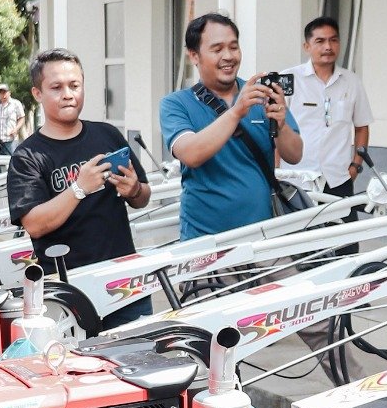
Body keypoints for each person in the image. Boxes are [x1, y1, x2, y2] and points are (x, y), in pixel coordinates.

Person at [5, 48, 154, 327]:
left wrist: (134, 189)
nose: (68, 94)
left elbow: (143, 196)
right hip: (66, 290)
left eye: (75, 85)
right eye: (56, 87)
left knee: (138, 350)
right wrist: (78, 188)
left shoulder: (107, 134)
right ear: (37, 93)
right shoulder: (27, 156)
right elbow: (34, 224)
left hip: (124, 280)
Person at [159, 13, 302, 240]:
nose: (228, 56)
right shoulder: (176, 103)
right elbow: (190, 154)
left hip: (263, 236)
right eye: (217, 49)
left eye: (234, 47)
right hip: (204, 240)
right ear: (194, 55)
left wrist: (282, 125)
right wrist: (236, 112)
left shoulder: (261, 94)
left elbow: (295, 155)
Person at [284, 16, 374, 202]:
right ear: (307, 46)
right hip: (297, 179)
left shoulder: (352, 81)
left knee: (343, 221)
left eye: (333, 40)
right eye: (320, 41)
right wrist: (275, 172)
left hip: (338, 178)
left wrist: (355, 167)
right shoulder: (289, 79)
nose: (328, 47)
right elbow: (275, 128)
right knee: (297, 223)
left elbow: (362, 127)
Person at [0, 82, 26, 152]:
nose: (3, 94)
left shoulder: (16, 103)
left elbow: (22, 118)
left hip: (10, 139)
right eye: (0, 92)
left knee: (11, 158)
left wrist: (15, 129)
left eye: (4, 92)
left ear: (9, 92)